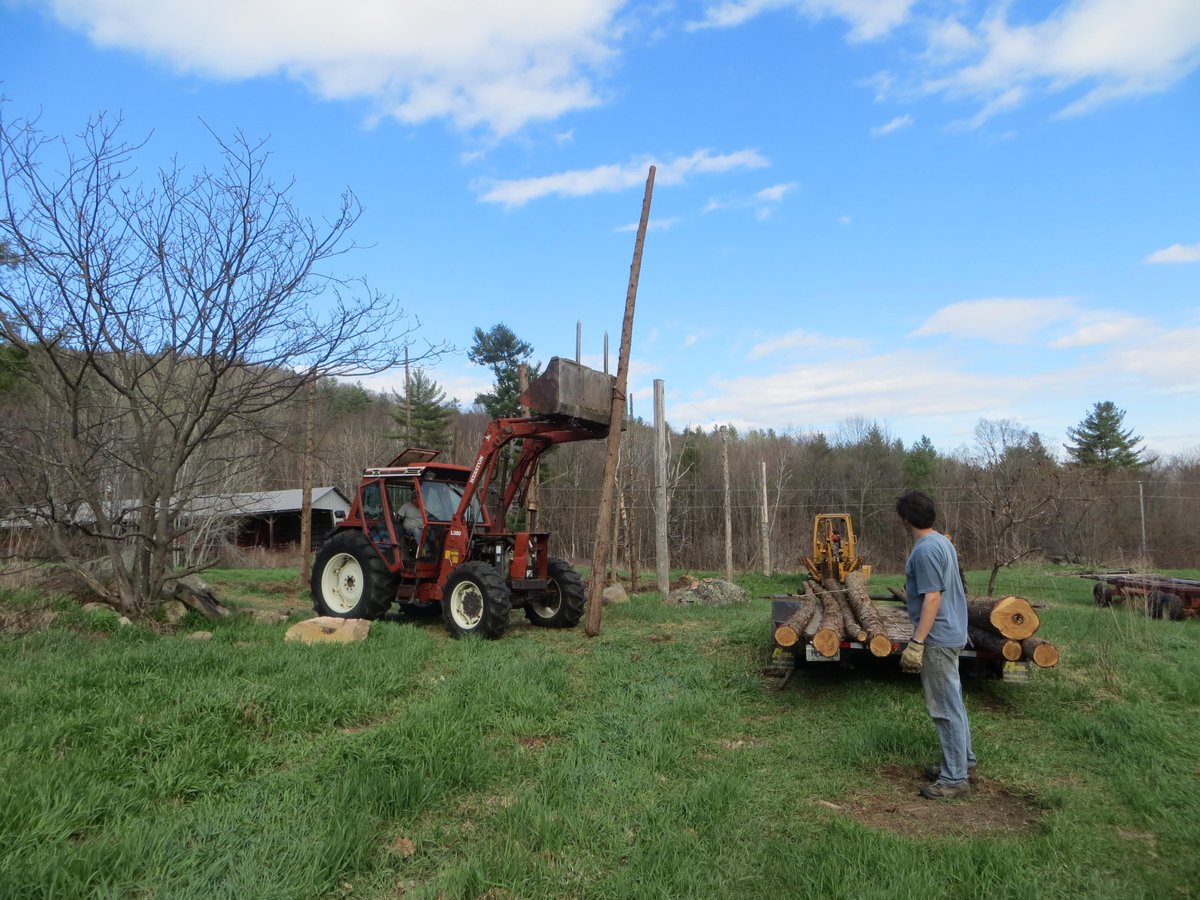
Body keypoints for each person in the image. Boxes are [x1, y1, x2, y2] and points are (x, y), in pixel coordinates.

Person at [896, 489, 977, 800]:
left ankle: (955, 778)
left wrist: (917, 642)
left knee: (943, 707)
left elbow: (932, 597)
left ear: (905, 519)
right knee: (953, 701)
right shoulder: (942, 541)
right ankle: (964, 763)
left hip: (938, 638)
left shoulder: (926, 550)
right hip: (953, 631)